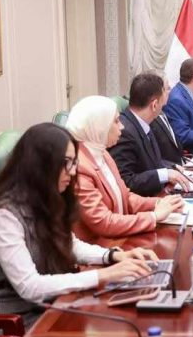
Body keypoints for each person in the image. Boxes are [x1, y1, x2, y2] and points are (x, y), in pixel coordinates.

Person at [0, 123, 157, 332]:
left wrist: (113, 256)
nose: (73, 171)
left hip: (33, 308)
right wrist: (104, 275)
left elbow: (69, 244)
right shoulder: (4, 215)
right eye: (66, 163)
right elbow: (29, 286)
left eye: (74, 162)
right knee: (99, 326)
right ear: (41, 165)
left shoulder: (42, 197)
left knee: (109, 319)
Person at [67, 96, 184, 240]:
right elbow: (103, 222)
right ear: (100, 127)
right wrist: (153, 216)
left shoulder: (103, 153)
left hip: (120, 239)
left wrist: (159, 203)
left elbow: (124, 196)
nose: (122, 127)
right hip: (100, 247)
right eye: (116, 121)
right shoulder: (79, 166)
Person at [111, 72, 192, 196]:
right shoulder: (125, 132)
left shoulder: (143, 123)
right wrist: (164, 175)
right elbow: (126, 181)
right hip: (146, 203)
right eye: (162, 104)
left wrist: (171, 168)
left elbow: (151, 161)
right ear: (154, 105)